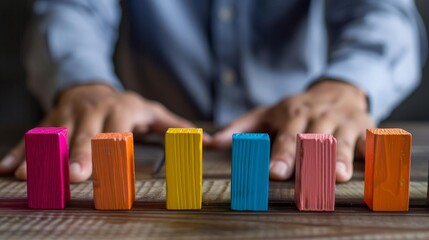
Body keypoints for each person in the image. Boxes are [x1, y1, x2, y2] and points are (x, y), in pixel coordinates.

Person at [0, 0, 426, 183]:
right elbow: (72, 8)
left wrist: (349, 84)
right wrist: (83, 81)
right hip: (142, 143)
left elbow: (384, 11)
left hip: (307, 140)